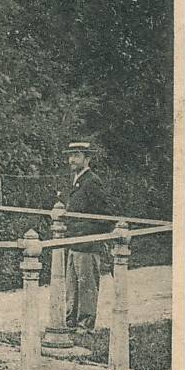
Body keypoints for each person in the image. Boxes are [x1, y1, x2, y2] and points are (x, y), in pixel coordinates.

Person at [64, 141, 112, 334]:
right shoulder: (76, 180)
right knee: (72, 285)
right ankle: (71, 321)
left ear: (87, 158)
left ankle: (86, 324)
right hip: (73, 242)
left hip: (87, 243)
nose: (71, 160)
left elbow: (105, 215)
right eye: (70, 155)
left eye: (76, 155)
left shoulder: (92, 181)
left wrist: (86, 232)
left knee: (86, 286)